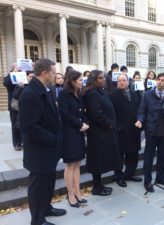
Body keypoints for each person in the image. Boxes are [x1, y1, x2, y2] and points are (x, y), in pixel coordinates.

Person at [19, 58, 66, 225]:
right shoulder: (30, 94)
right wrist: (52, 138)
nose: (55, 75)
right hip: (39, 151)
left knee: (48, 183)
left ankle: (46, 208)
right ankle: (37, 220)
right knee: (38, 187)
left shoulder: (45, 89)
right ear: (45, 73)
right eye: (53, 73)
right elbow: (29, 127)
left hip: (49, 150)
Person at [135, 73, 164, 193]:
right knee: (149, 156)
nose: (159, 82)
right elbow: (142, 110)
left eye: (162, 80)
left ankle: (160, 178)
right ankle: (147, 181)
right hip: (151, 130)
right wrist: (139, 120)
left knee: (162, 156)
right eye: (158, 79)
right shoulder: (148, 95)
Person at [83, 70, 121, 196]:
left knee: (101, 159)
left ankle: (99, 185)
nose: (104, 80)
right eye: (100, 78)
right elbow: (96, 114)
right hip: (98, 132)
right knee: (97, 159)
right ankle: (96, 187)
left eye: (103, 78)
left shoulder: (101, 91)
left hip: (105, 131)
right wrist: (109, 123)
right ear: (94, 80)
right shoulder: (92, 93)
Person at [58, 70, 89, 208]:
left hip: (79, 132)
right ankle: (70, 194)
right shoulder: (64, 94)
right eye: (80, 80)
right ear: (71, 81)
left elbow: (82, 112)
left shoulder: (79, 94)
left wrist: (86, 123)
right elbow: (64, 114)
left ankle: (77, 191)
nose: (82, 82)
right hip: (69, 133)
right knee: (70, 165)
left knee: (77, 164)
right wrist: (79, 124)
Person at [110, 74, 142, 187]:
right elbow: (111, 114)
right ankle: (118, 176)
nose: (122, 82)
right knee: (119, 155)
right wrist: (118, 126)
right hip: (121, 131)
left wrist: (140, 121)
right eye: (119, 81)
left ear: (128, 82)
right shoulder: (112, 96)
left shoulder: (135, 94)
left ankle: (130, 174)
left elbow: (139, 109)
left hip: (134, 129)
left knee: (133, 154)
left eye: (124, 80)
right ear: (117, 83)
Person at [10, 70, 35, 151]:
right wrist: (20, 87)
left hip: (27, 109)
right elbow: (15, 96)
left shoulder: (33, 85)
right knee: (16, 128)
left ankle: (24, 143)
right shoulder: (20, 85)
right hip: (17, 110)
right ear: (26, 77)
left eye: (33, 77)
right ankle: (17, 144)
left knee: (24, 127)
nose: (32, 78)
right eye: (30, 76)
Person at [3, 64, 20, 150]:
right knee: (15, 125)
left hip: (24, 104)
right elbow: (6, 84)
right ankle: (16, 143)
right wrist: (13, 72)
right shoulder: (9, 77)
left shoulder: (24, 75)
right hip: (14, 105)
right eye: (16, 67)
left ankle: (23, 141)